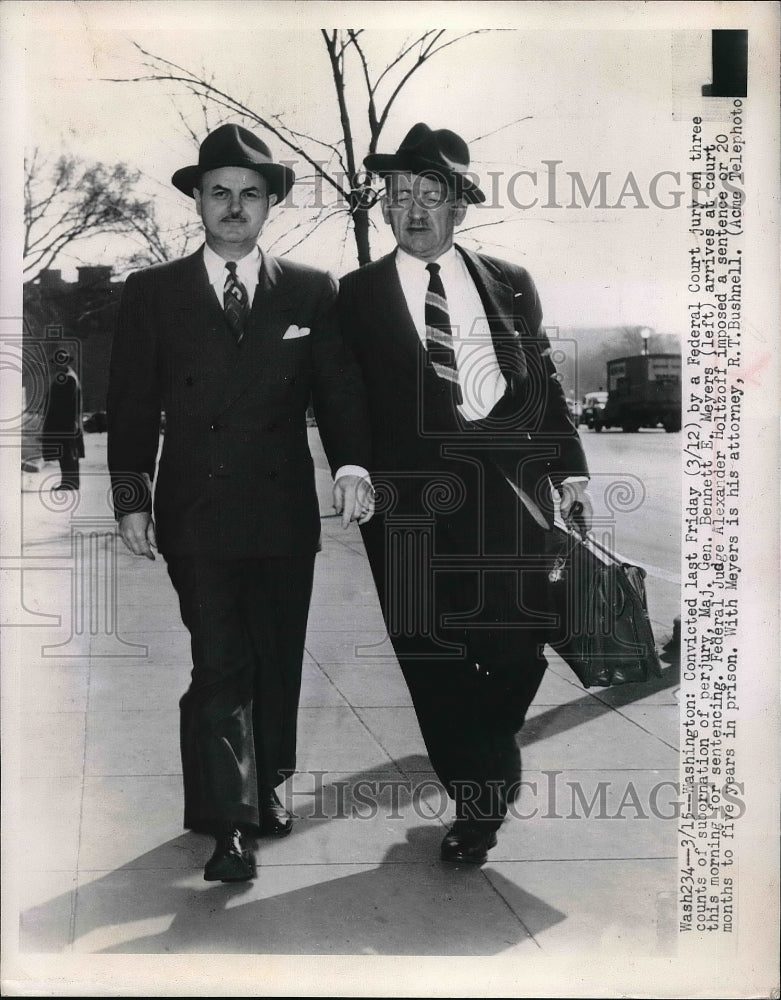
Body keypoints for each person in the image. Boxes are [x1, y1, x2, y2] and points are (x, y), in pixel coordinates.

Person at [107, 124, 373, 883]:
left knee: (276, 660)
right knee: (221, 661)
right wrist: (133, 496)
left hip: (284, 514)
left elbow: (341, 393)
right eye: (218, 192)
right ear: (197, 200)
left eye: (248, 194)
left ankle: (269, 785)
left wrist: (352, 462)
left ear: (270, 206)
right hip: (196, 513)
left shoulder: (310, 289)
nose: (232, 207)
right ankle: (231, 821)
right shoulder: (153, 293)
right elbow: (128, 405)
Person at [338, 123, 593, 864]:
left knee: (516, 650)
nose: (413, 209)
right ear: (384, 206)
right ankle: (476, 805)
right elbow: (345, 399)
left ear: (460, 206)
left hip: (507, 500)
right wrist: (350, 465)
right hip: (406, 512)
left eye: (431, 195)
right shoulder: (353, 297)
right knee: (431, 657)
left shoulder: (510, 282)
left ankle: (482, 759)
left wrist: (568, 471)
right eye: (399, 195)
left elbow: (542, 386)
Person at [41, 350, 84, 490]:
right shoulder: (65, 377)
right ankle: (70, 482)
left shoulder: (69, 378)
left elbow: (65, 403)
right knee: (66, 452)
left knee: (67, 453)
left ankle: (70, 482)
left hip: (65, 423)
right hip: (63, 422)